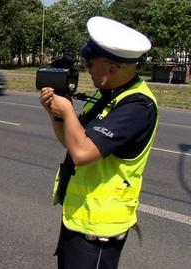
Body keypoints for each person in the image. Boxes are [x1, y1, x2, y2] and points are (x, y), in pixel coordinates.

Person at [39, 16, 159, 269]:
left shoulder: (137, 106)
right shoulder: (107, 94)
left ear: (112, 68)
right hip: (79, 219)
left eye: (90, 64)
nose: (86, 69)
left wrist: (69, 113)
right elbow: (73, 144)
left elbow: (82, 152)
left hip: (99, 229)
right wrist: (56, 114)